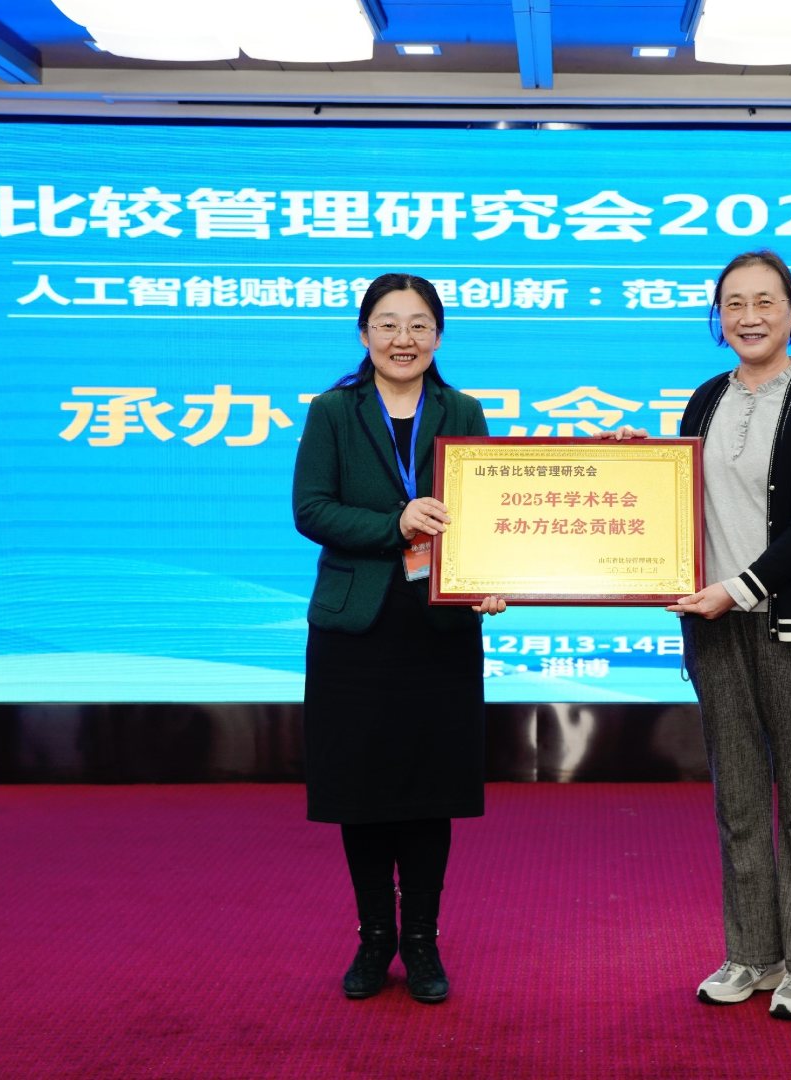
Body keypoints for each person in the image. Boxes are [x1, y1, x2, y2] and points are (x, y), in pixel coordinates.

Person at [292, 272, 505, 1005]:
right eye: (387, 324)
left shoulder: (462, 410)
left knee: (428, 790)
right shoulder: (332, 411)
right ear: (364, 333)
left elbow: (486, 513)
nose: (403, 339)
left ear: (438, 335)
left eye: (418, 325)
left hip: (439, 627)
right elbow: (311, 509)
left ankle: (420, 941)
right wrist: (397, 524)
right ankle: (373, 937)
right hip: (355, 629)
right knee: (362, 790)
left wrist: (492, 576)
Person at [670, 250, 791, 1020]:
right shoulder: (705, 399)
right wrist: (631, 466)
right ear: (718, 317)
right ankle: (753, 953)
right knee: (739, 803)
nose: (749, 316)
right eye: (733, 303)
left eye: (765, 301)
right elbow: (679, 499)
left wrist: (739, 589)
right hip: (715, 630)